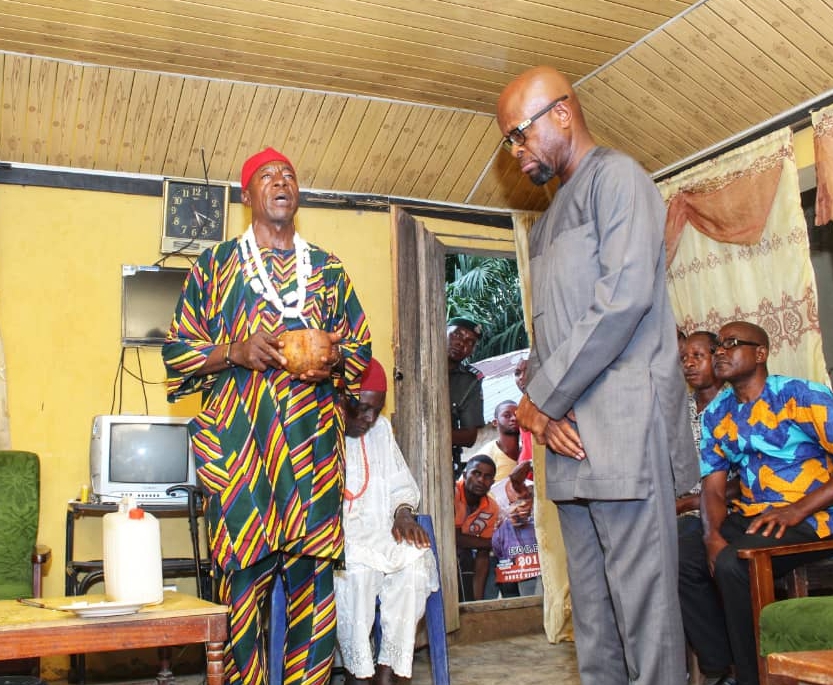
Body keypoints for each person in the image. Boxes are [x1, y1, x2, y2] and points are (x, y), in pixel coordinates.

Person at [497, 66, 697, 685]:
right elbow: (550, 334)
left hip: (624, 435)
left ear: (562, 113)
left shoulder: (620, 179)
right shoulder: (546, 221)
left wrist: (542, 399)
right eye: (509, 141)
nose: (516, 150)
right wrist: (544, 412)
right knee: (595, 630)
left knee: (647, 625)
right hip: (567, 443)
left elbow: (622, 300)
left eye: (520, 134)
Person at [162, 147, 371, 685]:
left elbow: (361, 349)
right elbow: (177, 351)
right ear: (247, 195)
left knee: (313, 600)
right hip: (240, 459)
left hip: (312, 459)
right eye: (268, 176)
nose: (282, 182)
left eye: (290, 176)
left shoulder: (327, 269)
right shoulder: (214, 266)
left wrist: (332, 359)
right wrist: (233, 351)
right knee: (240, 599)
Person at [678, 321, 833, 685]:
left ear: (760, 353)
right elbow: (714, 489)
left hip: (815, 516)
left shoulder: (801, 395)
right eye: (718, 346)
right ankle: (721, 669)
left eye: (730, 344)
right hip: (755, 516)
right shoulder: (718, 413)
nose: (720, 352)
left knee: (735, 563)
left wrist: (797, 509)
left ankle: (754, 678)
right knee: (681, 555)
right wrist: (712, 536)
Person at [334, 358, 438, 685]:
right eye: (363, 408)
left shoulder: (380, 429)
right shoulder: (320, 427)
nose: (369, 418)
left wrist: (403, 513)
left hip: (379, 532)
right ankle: (357, 671)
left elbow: (400, 483)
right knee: (357, 574)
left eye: (376, 410)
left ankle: (388, 669)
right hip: (337, 538)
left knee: (415, 564)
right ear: (341, 398)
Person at [677, 330, 725, 521]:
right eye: (683, 358)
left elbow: (744, 480)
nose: (688, 364)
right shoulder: (678, 408)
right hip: (676, 508)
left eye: (697, 356)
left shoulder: (734, 406)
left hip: (717, 511)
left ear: (717, 358)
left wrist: (687, 504)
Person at [454, 454, 499, 601]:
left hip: (466, 556)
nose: (481, 480)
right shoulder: (452, 493)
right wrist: (491, 543)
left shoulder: (491, 507)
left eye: (487, 477)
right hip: (443, 554)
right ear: (465, 475)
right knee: (463, 556)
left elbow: (483, 552)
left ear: (492, 482)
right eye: (476, 473)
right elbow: (453, 538)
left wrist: (477, 603)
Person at [447, 317, 485, 479]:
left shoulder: (470, 381)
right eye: (457, 335)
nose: (461, 343)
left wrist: (435, 434)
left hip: (443, 458)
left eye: (470, 342)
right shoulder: (414, 363)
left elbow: (469, 436)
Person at [484, 399, 521, 481]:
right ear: (495, 422)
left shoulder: (528, 451)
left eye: (518, 415)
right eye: (507, 416)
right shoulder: (487, 455)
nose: (514, 418)